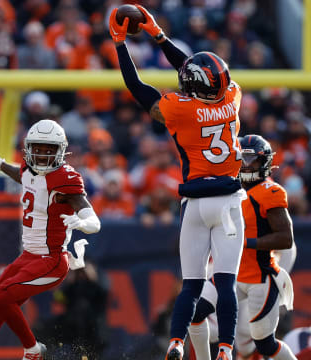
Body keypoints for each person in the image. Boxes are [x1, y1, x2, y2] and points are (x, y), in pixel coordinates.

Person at [109, 6, 245, 360]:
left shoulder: (179, 109)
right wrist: (159, 35)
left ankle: (175, 343)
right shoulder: (233, 98)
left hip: (195, 204)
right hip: (229, 200)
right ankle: (226, 349)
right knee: (226, 283)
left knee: (191, 285)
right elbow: (191, 70)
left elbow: (137, 87)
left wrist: (121, 44)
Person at [0, 119, 101, 360]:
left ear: (60, 151)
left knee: (5, 295)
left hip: (51, 260)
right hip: (27, 257)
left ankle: (32, 349)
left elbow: (93, 219)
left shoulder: (65, 180)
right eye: (37, 148)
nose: (41, 154)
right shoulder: (29, 170)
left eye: (48, 149)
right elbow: (24, 177)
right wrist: (0, 164)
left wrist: (83, 223)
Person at [188, 135, 297, 360]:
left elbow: (285, 239)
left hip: (260, 278)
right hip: (230, 272)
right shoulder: (227, 187)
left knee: (265, 345)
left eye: (252, 160)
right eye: (242, 159)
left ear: (264, 162)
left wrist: (246, 242)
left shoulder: (270, 192)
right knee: (194, 313)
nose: (246, 166)